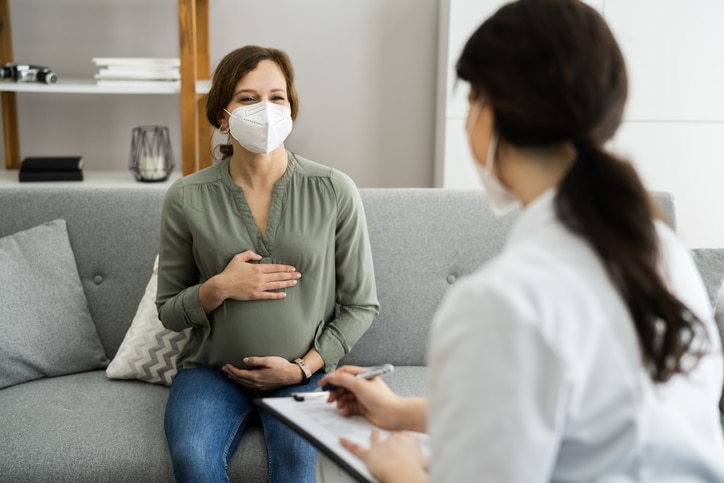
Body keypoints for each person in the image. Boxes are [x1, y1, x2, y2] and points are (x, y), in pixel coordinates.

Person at [317, 0, 724, 481]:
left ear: (491, 111)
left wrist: (399, 471)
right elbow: (573, 416)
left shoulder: (503, 300)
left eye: (469, 99)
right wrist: (399, 411)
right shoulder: (659, 249)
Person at [156, 45, 379, 483]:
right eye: (247, 98)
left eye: (277, 97)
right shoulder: (185, 197)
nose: (265, 109)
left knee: (299, 467)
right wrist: (219, 287)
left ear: (291, 108)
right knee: (192, 459)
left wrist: (303, 367)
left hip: (303, 375)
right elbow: (167, 310)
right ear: (223, 115)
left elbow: (361, 306)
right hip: (210, 372)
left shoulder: (335, 190)